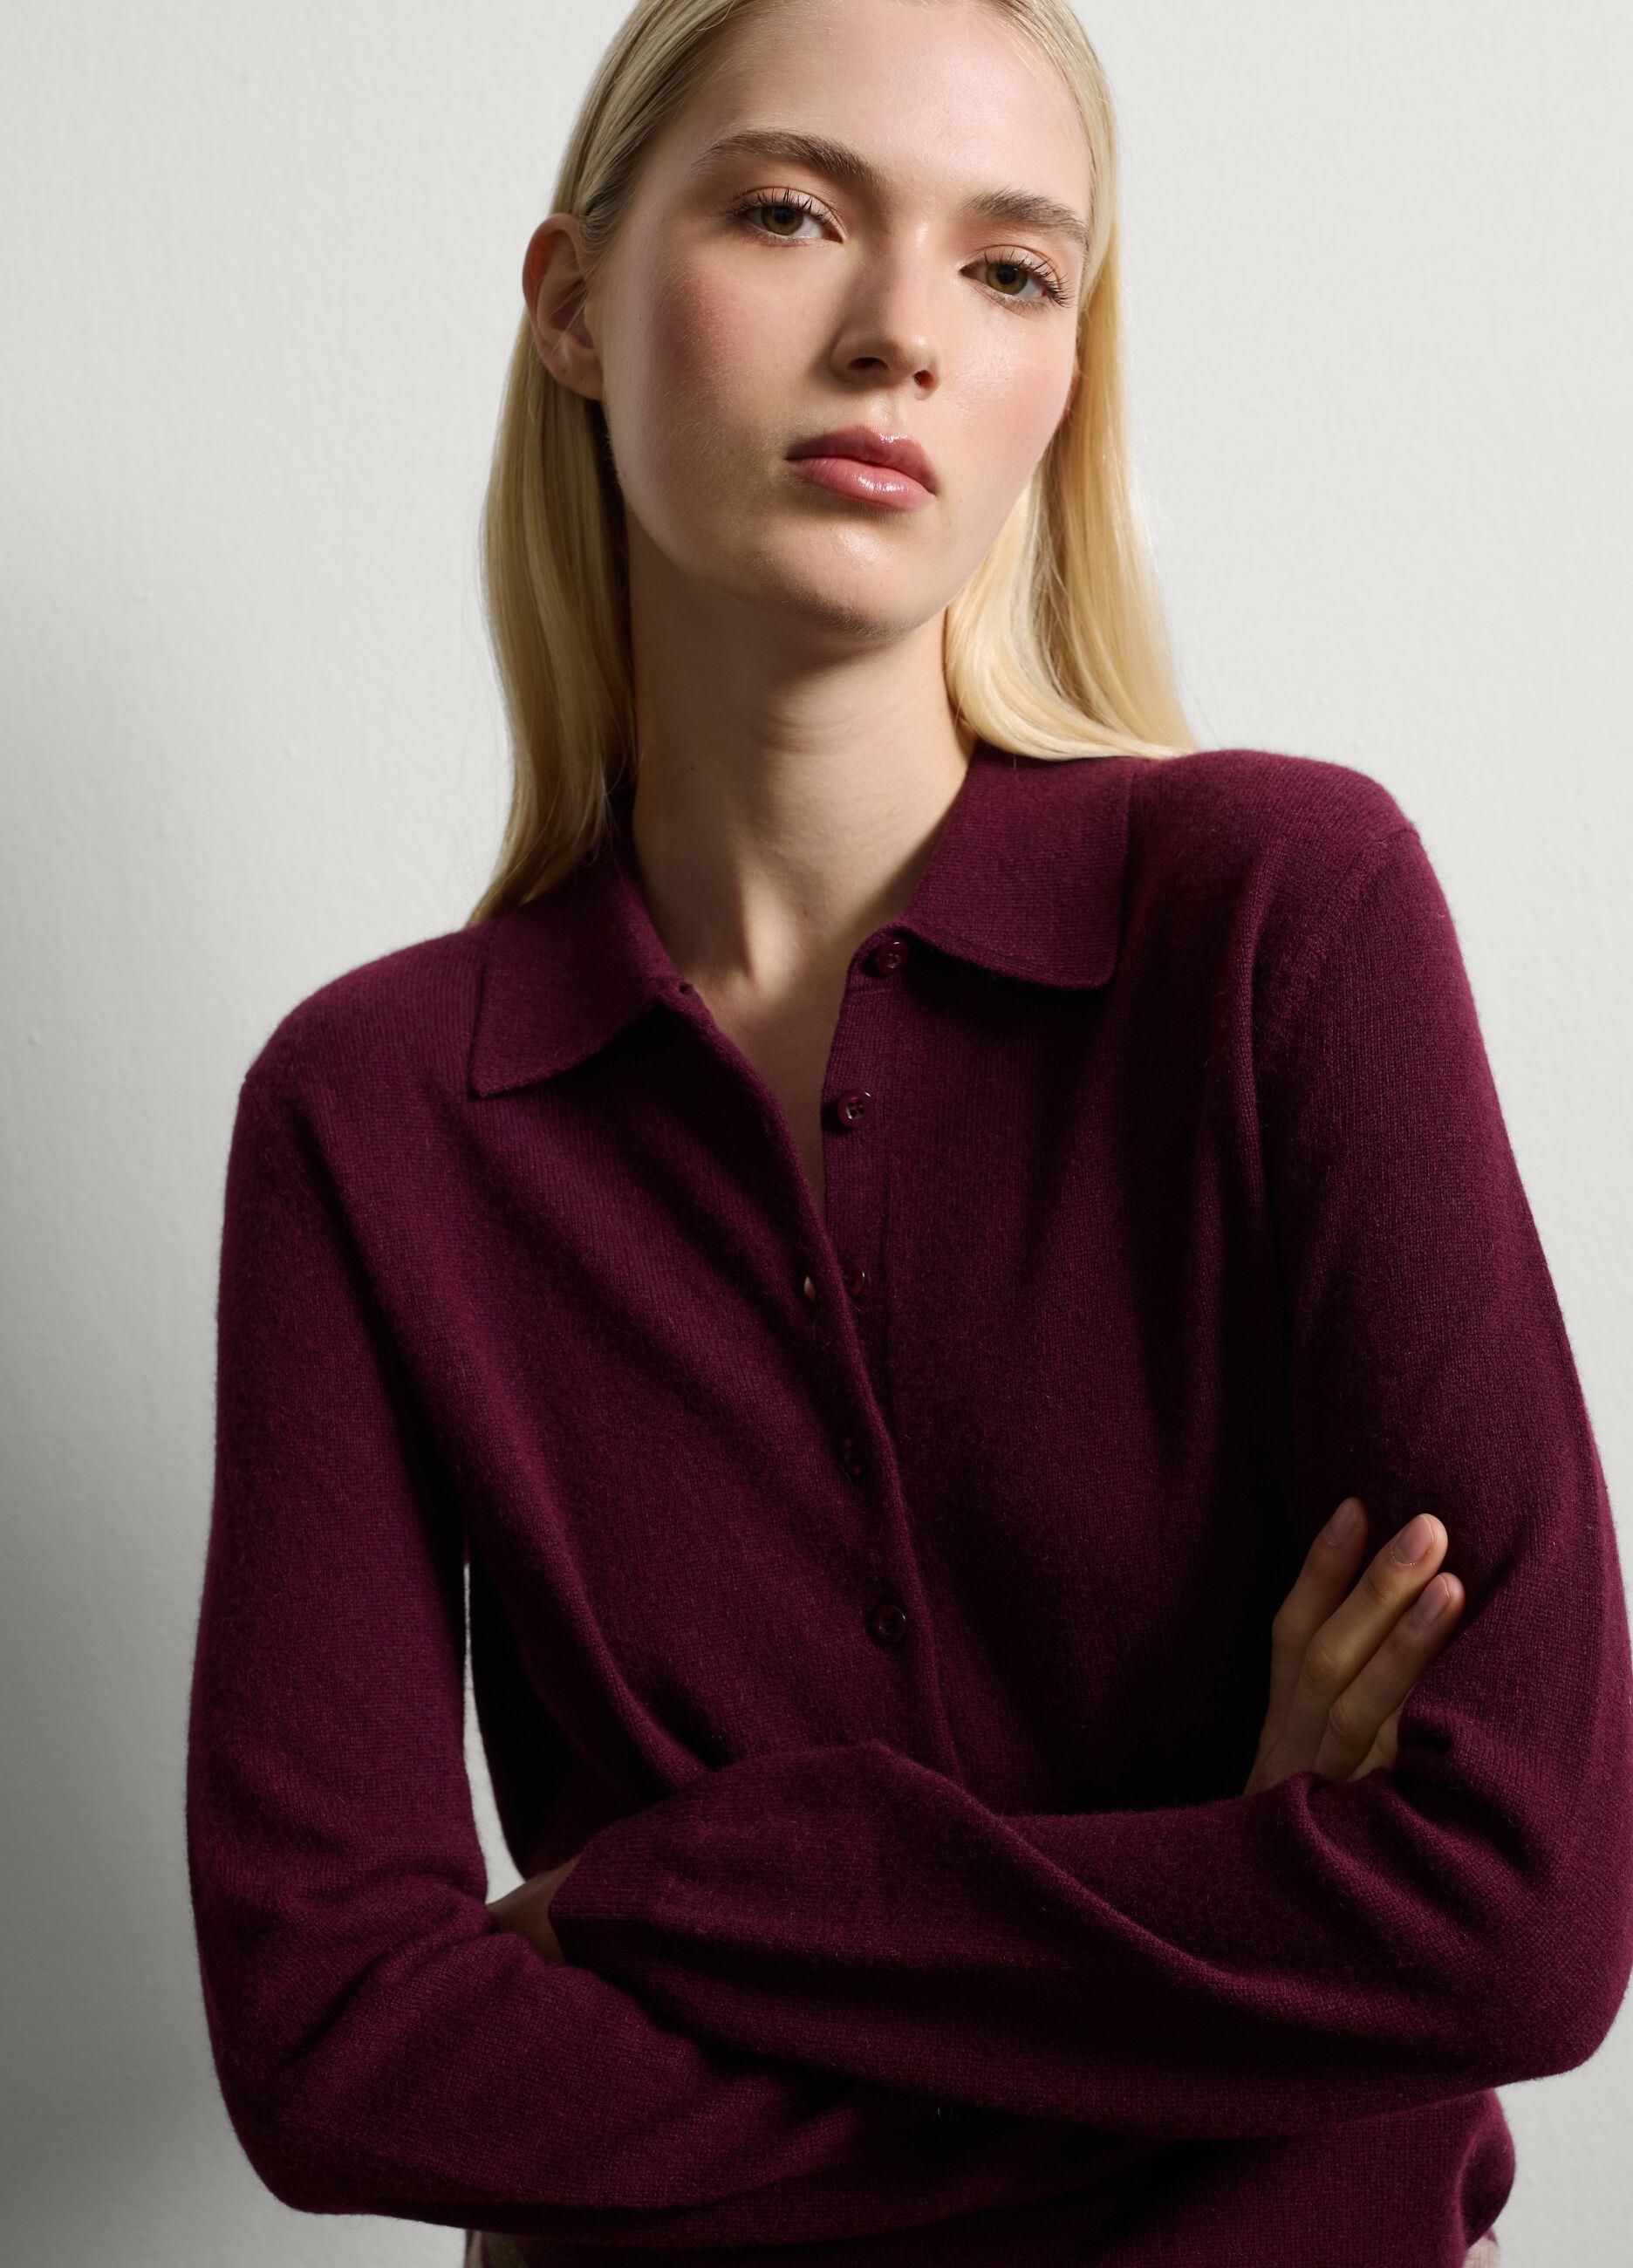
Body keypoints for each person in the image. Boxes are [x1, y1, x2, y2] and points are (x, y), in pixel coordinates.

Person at [185, 3, 1630, 2263]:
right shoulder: (371, 1112)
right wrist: (1235, 1978)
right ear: (571, 305)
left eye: (1010, 267)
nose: (900, 334)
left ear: (1064, 376)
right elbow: (336, 2053)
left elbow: (1520, 1921)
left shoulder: (1282, 918)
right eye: (789, 214)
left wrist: (669, 1900)